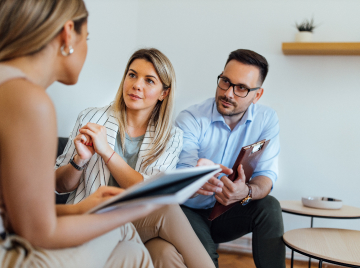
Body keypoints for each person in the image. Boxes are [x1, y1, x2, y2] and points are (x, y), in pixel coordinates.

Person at [0, 0, 160, 267]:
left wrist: (80, 208)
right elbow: (38, 232)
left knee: (130, 254)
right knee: (122, 230)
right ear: (68, 33)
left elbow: (19, 217)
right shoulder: (29, 100)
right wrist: (132, 209)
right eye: (86, 38)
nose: (136, 86)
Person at [54, 48, 214, 268]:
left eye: (149, 81)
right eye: (132, 75)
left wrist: (107, 152)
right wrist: (79, 160)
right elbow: (59, 186)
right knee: (166, 217)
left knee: (164, 252)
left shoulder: (171, 137)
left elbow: (150, 193)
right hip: (90, 219)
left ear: (163, 93)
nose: (137, 85)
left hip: (136, 223)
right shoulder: (91, 117)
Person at [175, 49, 286, 268]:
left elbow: (266, 176)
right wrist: (198, 179)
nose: (228, 93)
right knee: (206, 258)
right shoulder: (191, 118)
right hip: (188, 209)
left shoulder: (266, 120)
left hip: (228, 211)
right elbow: (182, 169)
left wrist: (246, 192)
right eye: (225, 81)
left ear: (257, 95)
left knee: (270, 207)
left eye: (242, 88)